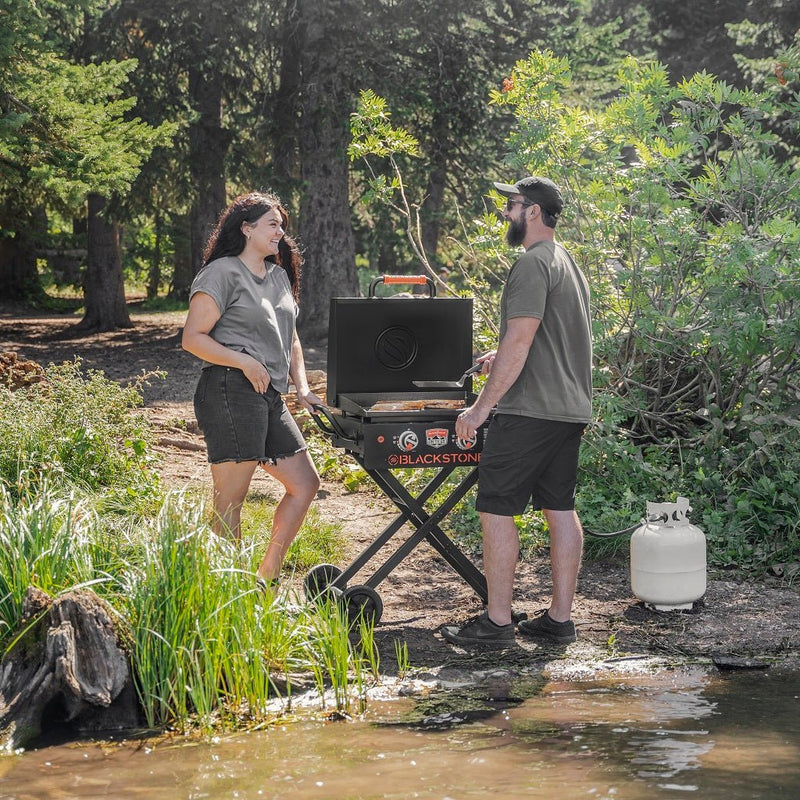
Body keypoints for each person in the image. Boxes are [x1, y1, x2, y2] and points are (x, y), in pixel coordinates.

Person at [441, 176, 592, 648]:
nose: (506, 212)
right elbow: (542, 340)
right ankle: (559, 620)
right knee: (560, 509)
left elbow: (521, 339)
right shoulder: (566, 262)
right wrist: (498, 355)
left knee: (496, 510)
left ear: (532, 211)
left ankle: (498, 622)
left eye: (512, 204)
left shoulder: (531, 264)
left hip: (528, 412)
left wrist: (481, 407)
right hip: (569, 410)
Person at [182, 192, 321, 589]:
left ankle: (265, 577)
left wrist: (303, 387)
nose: (281, 232)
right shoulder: (222, 273)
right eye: (272, 224)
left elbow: (291, 337)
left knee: (305, 484)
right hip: (229, 389)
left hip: (269, 395)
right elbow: (192, 338)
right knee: (230, 500)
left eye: (282, 225)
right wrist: (243, 360)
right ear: (246, 228)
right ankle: (228, 591)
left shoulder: (278, 275)